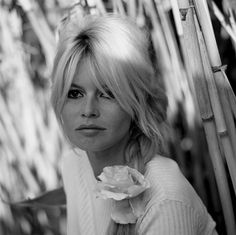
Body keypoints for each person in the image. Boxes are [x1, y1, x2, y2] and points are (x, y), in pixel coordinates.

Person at [51, 12, 218, 235]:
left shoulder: (165, 197)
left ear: (137, 101)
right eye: (74, 93)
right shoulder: (73, 164)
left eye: (107, 93)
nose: (88, 110)